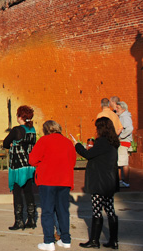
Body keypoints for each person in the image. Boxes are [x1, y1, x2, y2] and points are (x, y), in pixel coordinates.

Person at [73, 117, 120, 249]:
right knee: (110, 209)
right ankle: (113, 240)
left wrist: (77, 145)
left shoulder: (102, 142)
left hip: (100, 181)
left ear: (101, 128)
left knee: (97, 210)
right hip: (109, 180)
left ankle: (94, 240)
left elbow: (88, 155)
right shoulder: (113, 142)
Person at [29, 120, 76, 251]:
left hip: (47, 180)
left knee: (48, 211)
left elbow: (32, 159)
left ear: (46, 129)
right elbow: (72, 161)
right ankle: (65, 239)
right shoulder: (67, 142)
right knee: (63, 211)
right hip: (64, 180)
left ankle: (49, 241)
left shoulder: (44, 141)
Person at [2, 105, 37, 230]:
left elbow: (5, 143)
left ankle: (19, 221)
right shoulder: (32, 129)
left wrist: (12, 144)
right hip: (29, 165)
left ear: (20, 116)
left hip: (17, 166)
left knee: (17, 193)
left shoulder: (17, 130)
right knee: (29, 192)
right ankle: (32, 219)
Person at [116, 101, 134, 188]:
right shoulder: (123, 116)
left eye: (118, 108)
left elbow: (130, 128)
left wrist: (121, 136)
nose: (116, 109)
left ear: (123, 109)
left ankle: (124, 181)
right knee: (121, 162)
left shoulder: (124, 117)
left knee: (123, 162)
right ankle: (122, 180)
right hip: (124, 141)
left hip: (123, 142)